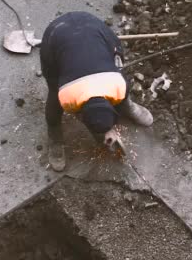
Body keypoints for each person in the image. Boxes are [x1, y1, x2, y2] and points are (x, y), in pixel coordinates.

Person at [40, 11, 153, 171]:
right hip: (55, 35)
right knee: (54, 100)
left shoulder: (118, 84)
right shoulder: (67, 96)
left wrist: (107, 128)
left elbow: (117, 69)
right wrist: (103, 130)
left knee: (121, 89)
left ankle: (129, 107)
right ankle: (55, 137)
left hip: (92, 27)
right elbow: (79, 113)